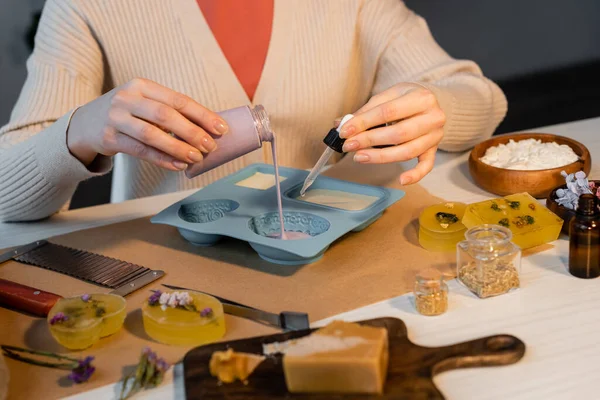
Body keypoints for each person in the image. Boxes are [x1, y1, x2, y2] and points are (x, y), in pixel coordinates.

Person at [0, 0, 507, 222]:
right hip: (180, 272)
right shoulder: (89, 6)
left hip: (340, 250)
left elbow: (479, 97)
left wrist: (437, 109)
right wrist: (79, 131)